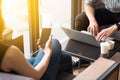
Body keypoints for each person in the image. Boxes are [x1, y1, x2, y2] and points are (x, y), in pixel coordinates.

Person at [0, 1, 73, 80]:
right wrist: (47, 52)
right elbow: (36, 75)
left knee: (66, 58)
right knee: (54, 42)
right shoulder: (9, 52)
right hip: (37, 77)